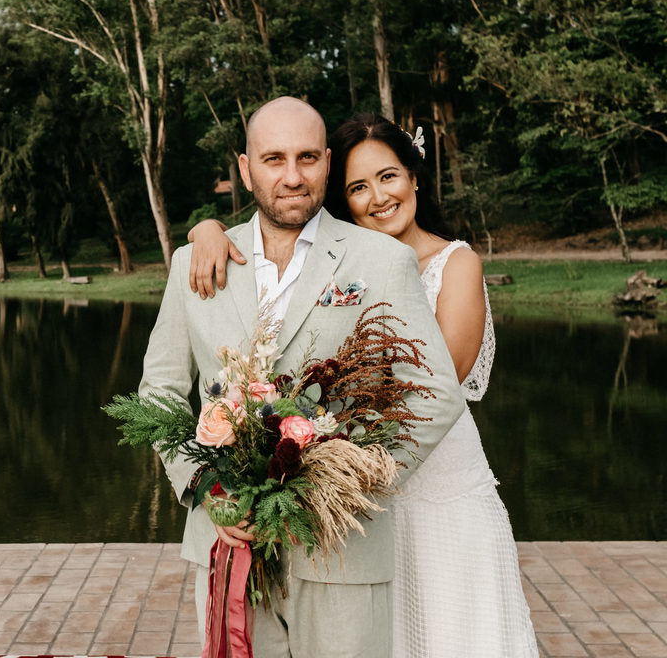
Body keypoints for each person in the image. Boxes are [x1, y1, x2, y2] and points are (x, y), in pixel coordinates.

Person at [188, 112, 538, 658]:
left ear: (414, 176)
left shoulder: (454, 262)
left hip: (428, 478)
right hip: (344, 492)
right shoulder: (336, 261)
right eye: (358, 187)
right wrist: (206, 230)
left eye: (388, 176)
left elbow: (435, 385)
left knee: (454, 631)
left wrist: (344, 465)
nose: (378, 197)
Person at [138, 97, 465, 658]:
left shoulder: (381, 259)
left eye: (308, 158)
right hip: (229, 546)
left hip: (341, 552)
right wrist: (207, 487)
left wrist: (344, 483)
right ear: (246, 169)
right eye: (274, 159)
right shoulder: (194, 264)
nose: (292, 176)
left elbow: (435, 393)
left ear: (327, 164)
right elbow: (159, 393)